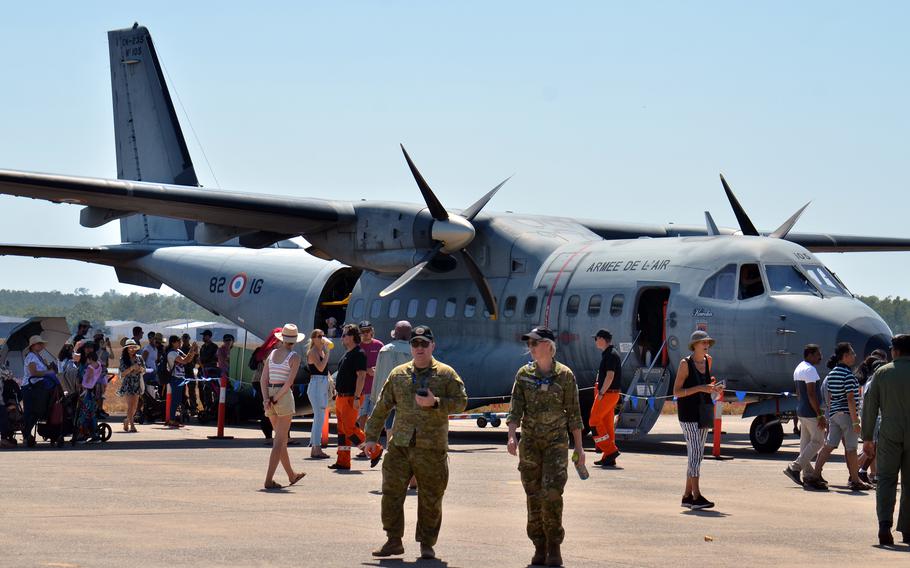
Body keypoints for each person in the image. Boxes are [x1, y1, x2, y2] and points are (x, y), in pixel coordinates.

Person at [366, 325, 467, 561]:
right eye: (415, 343)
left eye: (424, 343)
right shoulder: (398, 374)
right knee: (390, 493)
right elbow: (382, 406)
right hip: (400, 445)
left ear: (432, 346)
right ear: (410, 347)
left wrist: (436, 403)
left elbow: (462, 402)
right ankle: (393, 540)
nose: (419, 348)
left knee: (431, 498)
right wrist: (371, 436)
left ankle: (427, 544)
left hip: (431, 447)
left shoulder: (446, 374)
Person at [506, 327, 584, 567]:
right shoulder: (523, 374)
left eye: (534, 343)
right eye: (529, 343)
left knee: (552, 494)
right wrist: (511, 435)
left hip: (556, 444)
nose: (530, 347)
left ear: (548, 346)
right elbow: (515, 408)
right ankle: (538, 546)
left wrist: (579, 449)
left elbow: (574, 414)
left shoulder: (565, 375)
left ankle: (554, 546)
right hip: (530, 444)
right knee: (533, 495)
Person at [862, 334, 910, 546]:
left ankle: (884, 525)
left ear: (895, 351)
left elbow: (870, 407)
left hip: (889, 431)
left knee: (886, 480)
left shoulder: (882, 373)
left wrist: (867, 438)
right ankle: (908, 530)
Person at [672, 330, 724, 510]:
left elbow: (705, 385)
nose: (706, 344)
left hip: (703, 412)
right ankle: (696, 495)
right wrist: (700, 388)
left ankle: (687, 496)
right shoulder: (685, 364)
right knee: (695, 454)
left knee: (697, 455)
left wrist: (712, 388)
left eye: (708, 342)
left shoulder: (708, 361)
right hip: (688, 414)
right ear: (694, 345)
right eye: (703, 342)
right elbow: (676, 392)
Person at [813, 342, 871, 491]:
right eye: (852, 353)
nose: (854, 356)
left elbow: (831, 397)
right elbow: (851, 399)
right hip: (847, 415)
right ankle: (855, 480)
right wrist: (856, 421)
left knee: (829, 445)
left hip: (834, 414)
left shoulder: (831, 375)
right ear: (845, 356)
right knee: (851, 449)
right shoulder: (849, 376)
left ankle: (815, 473)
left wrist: (832, 413)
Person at [259, 323, 307, 490]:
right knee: (279, 441)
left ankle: (291, 475)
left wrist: (267, 399)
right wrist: (276, 398)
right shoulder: (294, 357)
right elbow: (288, 383)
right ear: (294, 341)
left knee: (281, 441)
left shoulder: (272, 354)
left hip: (270, 395)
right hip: (283, 397)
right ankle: (268, 480)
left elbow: (263, 379)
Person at [783, 344, 829, 490]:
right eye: (817, 354)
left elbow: (798, 392)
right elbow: (811, 394)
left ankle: (808, 476)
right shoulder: (810, 370)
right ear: (809, 354)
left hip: (801, 410)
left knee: (805, 443)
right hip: (810, 412)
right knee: (818, 441)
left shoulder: (799, 368)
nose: (820, 357)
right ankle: (794, 467)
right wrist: (819, 414)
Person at [329, 324, 368, 471]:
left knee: (350, 429)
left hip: (351, 397)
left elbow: (362, 376)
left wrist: (357, 397)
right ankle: (343, 461)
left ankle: (374, 450)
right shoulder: (348, 353)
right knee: (342, 431)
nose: (342, 337)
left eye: (345, 335)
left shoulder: (359, 353)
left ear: (352, 337)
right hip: (341, 397)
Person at [21, 335, 61, 447]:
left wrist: (48, 367)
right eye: (39, 343)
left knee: (37, 411)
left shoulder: (38, 357)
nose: (42, 345)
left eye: (41, 343)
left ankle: (27, 434)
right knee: (31, 412)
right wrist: (48, 373)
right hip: (30, 387)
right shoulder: (31, 357)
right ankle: (26, 434)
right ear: (33, 346)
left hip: (38, 387)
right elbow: (33, 373)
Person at [590, 328, 621, 467]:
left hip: (607, 394)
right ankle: (609, 457)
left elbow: (610, 376)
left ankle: (610, 450)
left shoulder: (610, 355)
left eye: (596, 338)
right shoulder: (609, 354)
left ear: (602, 339)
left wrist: (601, 393)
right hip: (611, 393)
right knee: (607, 425)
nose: (595, 341)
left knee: (594, 421)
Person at [305, 329, 333, 459]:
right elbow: (320, 367)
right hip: (316, 384)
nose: (322, 338)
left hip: (321, 384)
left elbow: (324, 370)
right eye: (319, 336)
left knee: (319, 417)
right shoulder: (312, 352)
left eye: (323, 335)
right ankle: (316, 448)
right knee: (319, 417)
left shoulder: (320, 351)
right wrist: (327, 353)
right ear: (313, 339)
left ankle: (315, 447)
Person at [357, 321, 385, 437]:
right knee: (362, 416)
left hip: (376, 388)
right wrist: (367, 370)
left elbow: (385, 364)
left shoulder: (379, 346)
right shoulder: (358, 347)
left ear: (372, 331)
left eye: (368, 331)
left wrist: (377, 371)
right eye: (363, 332)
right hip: (363, 388)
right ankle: (363, 439)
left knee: (373, 416)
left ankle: (372, 440)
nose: (366, 334)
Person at [164, 335, 198, 427]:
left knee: (178, 399)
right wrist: (191, 350)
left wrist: (193, 352)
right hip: (175, 378)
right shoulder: (172, 353)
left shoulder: (177, 351)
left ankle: (173, 418)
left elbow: (188, 359)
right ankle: (171, 419)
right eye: (178, 341)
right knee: (175, 400)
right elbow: (185, 360)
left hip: (180, 378)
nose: (180, 343)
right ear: (173, 343)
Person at [117, 339, 145, 432]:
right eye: (130, 347)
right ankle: (132, 425)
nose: (132, 349)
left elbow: (144, 370)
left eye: (134, 347)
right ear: (127, 348)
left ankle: (127, 420)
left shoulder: (139, 358)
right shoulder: (123, 359)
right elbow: (123, 373)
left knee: (134, 406)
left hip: (137, 383)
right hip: (128, 384)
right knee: (130, 405)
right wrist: (132, 368)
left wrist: (140, 369)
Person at [93, 333, 111, 418]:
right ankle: (96, 410)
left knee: (101, 394)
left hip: (103, 373)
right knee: (97, 393)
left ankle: (100, 409)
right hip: (97, 374)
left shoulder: (105, 352)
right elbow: (97, 360)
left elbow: (109, 359)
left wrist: (109, 347)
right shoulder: (94, 351)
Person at [181, 333, 199, 415]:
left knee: (192, 391)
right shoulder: (180, 349)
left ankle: (193, 408)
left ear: (189, 338)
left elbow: (196, 359)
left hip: (190, 371)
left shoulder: (193, 348)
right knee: (182, 391)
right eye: (183, 338)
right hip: (182, 372)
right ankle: (184, 407)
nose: (185, 340)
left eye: (186, 338)